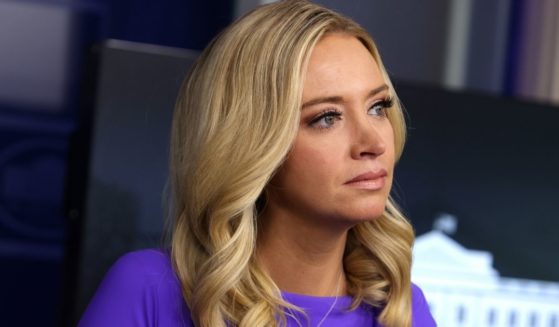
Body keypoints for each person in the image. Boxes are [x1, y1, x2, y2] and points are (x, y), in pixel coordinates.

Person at [78, 0, 436, 326]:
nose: (373, 143)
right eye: (327, 117)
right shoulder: (150, 290)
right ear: (252, 143)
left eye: (378, 107)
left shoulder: (402, 311)